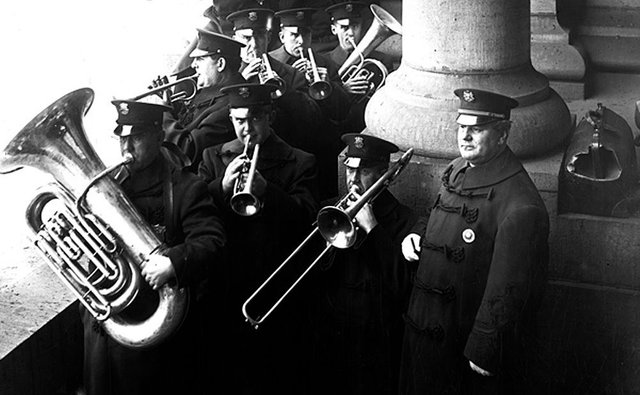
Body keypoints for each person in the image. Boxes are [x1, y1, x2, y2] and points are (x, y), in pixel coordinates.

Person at [399, 89, 550, 394]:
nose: (465, 136)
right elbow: (438, 213)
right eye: (462, 127)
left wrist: (484, 346)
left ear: (502, 135)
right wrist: (417, 233)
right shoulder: (457, 168)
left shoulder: (521, 205)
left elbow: (509, 287)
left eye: (477, 129)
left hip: (460, 343)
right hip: (424, 324)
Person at [81, 100, 226, 395]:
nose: (126, 148)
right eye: (122, 138)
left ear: (159, 137)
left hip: (155, 333)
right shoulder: (109, 186)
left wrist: (173, 262)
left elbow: (213, 241)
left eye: (136, 138)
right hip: (105, 327)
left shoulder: (186, 187)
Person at [197, 82, 319, 394]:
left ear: (270, 117)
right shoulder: (213, 158)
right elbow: (195, 220)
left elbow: (307, 223)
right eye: (239, 121)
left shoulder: (301, 161)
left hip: (274, 286)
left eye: (254, 119)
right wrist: (220, 188)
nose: (246, 130)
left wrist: (270, 193)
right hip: (225, 286)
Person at [309, 133, 417, 395]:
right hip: (332, 330)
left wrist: (374, 230)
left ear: (385, 175)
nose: (353, 180)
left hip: (376, 337)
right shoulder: (329, 210)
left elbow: (402, 286)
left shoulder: (405, 220)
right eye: (349, 170)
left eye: (364, 171)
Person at [270, 7, 352, 199]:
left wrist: (329, 87)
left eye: (305, 33)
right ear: (282, 36)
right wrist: (291, 78)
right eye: (294, 35)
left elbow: (341, 112)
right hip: (285, 146)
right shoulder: (271, 63)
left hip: (319, 148)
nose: (300, 41)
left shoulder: (325, 63)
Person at [226, 7, 325, 153]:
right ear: (235, 40)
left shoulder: (291, 74)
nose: (254, 44)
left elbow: (312, 119)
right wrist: (240, 80)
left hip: (282, 155)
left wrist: (284, 91)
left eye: (260, 36)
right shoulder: (227, 74)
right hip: (237, 151)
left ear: (269, 37)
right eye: (246, 38)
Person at [164, 28, 246, 170]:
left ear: (220, 64)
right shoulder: (211, 91)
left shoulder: (233, 104)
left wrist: (164, 112)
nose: (194, 64)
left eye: (200, 59)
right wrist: (170, 105)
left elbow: (186, 151)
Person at [323, 1, 395, 134]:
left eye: (355, 26)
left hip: (370, 128)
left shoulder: (383, 60)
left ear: (362, 27)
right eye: (344, 28)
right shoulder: (324, 61)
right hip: (335, 132)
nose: (350, 33)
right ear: (334, 29)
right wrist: (343, 90)